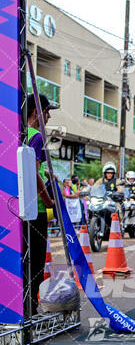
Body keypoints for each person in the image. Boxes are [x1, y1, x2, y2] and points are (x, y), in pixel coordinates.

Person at [24, 93, 58, 315]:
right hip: (34, 210)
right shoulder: (36, 136)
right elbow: (33, 173)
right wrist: (49, 200)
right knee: (35, 261)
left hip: (14, 209)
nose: (48, 118)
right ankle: (30, 308)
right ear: (37, 112)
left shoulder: (15, 134)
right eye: (47, 113)